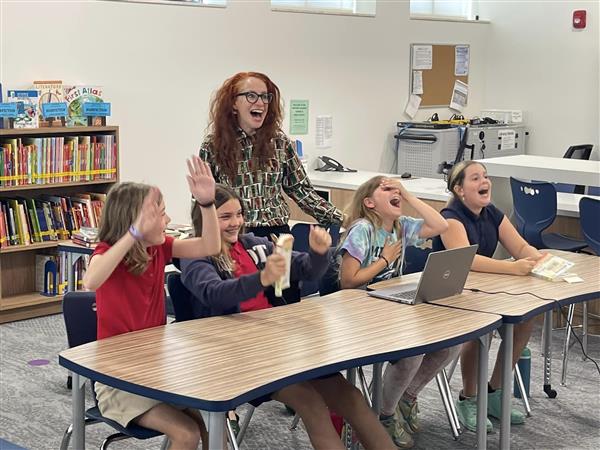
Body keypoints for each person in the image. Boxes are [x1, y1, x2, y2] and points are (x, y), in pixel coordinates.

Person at [179, 184, 396, 450]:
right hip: (235, 357)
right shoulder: (195, 254)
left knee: (351, 396)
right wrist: (262, 278)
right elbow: (214, 294)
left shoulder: (254, 245)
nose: (236, 222)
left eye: (239, 214)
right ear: (205, 219)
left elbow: (305, 269)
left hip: (276, 345)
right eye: (225, 217)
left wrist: (318, 253)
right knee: (311, 403)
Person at [82, 156, 220, 450]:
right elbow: (91, 281)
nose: (168, 221)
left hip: (154, 372)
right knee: (187, 433)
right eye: (161, 214)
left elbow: (210, 246)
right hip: (117, 381)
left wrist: (207, 205)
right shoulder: (109, 253)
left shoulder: (159, 249)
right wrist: (133, 233)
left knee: (209, 426)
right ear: (135, 221)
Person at [337, 176, 451, 448]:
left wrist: (409, 196)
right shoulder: (363, 230)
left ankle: (405, 398)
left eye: (396, 188)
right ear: (369, 202)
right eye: (386, 189)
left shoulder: (400, 227)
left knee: (449, 343)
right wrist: (385, 259)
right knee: (415, 350)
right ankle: (384, 414)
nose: (395, 191)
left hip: (387, 307)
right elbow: (349, 281)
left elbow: (441, 225)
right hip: (355, 312)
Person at [432, 160, 545, 433]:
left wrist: (537, 257)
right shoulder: (450, 217)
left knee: (526, 316)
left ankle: (494, 391)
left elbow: (518, 245)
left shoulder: (492, 212)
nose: (485, 181)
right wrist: (511, 268)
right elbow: (467, 259)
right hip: (449, 293)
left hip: (483, 288)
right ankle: (468, 398)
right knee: (479, 329)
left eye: (485, 176)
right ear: (459, 189)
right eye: (475, 178)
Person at [199, 71, 343, 239]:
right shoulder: (213, 146)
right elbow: (205, 198)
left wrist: (339, 218)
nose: (260, 102)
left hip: (276, 234)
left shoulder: (279, 142)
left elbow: (301, 190)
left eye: (265, 96)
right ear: (233, 103)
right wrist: (202, 238)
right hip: (235, 234)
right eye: (251, 96)